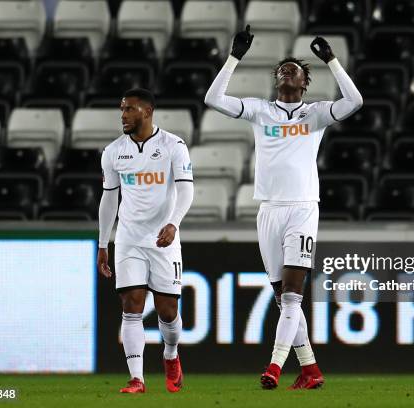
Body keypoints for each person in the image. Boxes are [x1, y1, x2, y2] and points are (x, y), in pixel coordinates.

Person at [204, 25, 363, 389]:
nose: (287, 70)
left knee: (292, 295)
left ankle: (274, 366)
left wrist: (332, 61)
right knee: (283, 300)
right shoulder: (261, 111)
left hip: (303, 208)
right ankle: (310, 370)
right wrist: (234, 57)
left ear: (306, 82)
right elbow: (214, 98)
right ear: (276, 79)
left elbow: (354, 102)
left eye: (296, 68)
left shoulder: (316, 114)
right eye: (283, 67)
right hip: (268, 211)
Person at [97, 88, 194, 394]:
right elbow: (109, 200)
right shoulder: (113, 152)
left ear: (148, 111)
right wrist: (103, 244)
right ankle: (136, 378)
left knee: (168, 312)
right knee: (131, 306)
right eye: (121, 109)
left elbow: (186, 191)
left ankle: (171, 354)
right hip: (129, 239)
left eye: (129, 109)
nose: (123, 115)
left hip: (163, 239)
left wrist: (173, 224)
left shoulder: (173, 145)